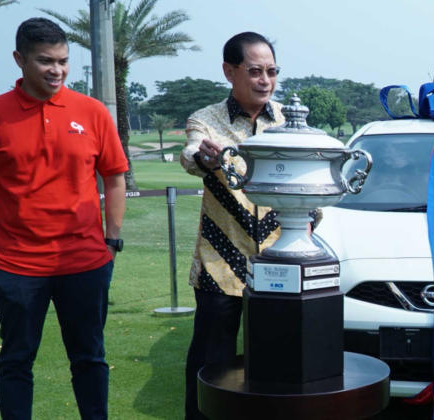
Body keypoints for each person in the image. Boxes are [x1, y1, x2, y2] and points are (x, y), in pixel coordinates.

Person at [0, 18, 128, 420]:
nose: (57, 70)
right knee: (15, 361)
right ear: (19, 60)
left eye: (63, 61)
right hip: (16, 268)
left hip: (86, 263)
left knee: (90, 359)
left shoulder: (93, 112)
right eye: (45, 61)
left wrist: (112, 240)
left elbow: (115, 177)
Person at [180, 31, 285, 420]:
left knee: (276, 365)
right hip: (219, 266)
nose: (265, 81)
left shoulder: (287, 124)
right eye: (255, 71)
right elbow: (192, 153)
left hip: (278, 264)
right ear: (229, 71)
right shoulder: (205, 120)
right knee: (211, 366)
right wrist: (204, 157)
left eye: (272, 71)